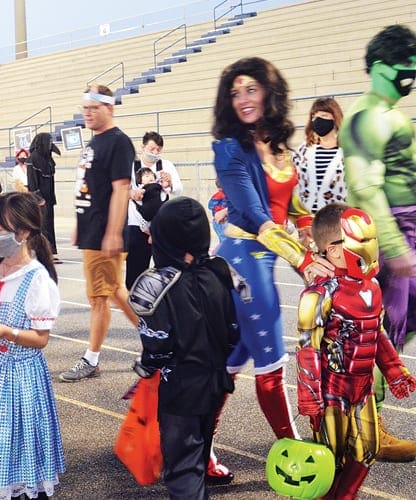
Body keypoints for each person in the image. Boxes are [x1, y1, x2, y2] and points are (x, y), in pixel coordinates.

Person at [211, 57, 335, 476]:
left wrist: (307, 233)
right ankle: (295, 456)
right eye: (235, 92)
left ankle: (196, 449)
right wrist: (303, 260)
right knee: (270, 361)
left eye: (251, 89)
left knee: (231, 361)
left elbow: (294, 205)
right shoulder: (229, 148)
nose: (243, 99)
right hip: (244, 261)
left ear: (269, 91)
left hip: (266, 260)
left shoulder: (280, 146)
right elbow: (251, 214)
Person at [296, 203, 416, 497]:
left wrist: (394, 370)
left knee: (366, 450)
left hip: (362, 389)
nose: (371, 247)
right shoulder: (319, 294)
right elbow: (307, 349)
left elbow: (376, 333)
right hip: (330, 392)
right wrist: (310, 395)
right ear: (335, 249)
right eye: (363, 241)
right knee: (329, 459)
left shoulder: (371, 287)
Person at [339, 24, 416, 462]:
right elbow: (368, 190)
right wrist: (396, 248)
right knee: (379, 338)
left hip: (403, 235)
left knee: (390, 337)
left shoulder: (392, 113)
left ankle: (366, 423)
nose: (411, 76)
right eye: (405, 68)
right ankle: (370, 427)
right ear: (381, 66)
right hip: (388, 242)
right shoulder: (367, 117)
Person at [131, 197, 239, 500]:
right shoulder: (220, 272)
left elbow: (158, 345)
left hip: (179, 389)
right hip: (215, 382)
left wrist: (147, 367)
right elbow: (235, 330)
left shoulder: (157, 284)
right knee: (199, 455)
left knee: (182, 470)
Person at [0, 191, 65, 499]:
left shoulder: (37, 279)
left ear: (23, 232)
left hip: (21, 380)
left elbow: (41, 339)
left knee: (22, 451)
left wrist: (4, 331)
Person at [59, 84, 139, 382]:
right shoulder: (94, 143)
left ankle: (91, 358)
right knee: (115, 292)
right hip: (93, 229)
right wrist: (80, 225)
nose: (88, 113)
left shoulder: (118, 142)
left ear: (110, 108)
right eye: (85, 108)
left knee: (99, 299)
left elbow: (121, 189)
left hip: (105, 232)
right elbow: (89, 187)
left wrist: (113, 232)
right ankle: (157, 339)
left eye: (94, 108)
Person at [125, 131, 183, 289]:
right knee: (136, 268)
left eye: (159, 149)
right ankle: (135, 301)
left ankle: (166, 299)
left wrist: (170, 183)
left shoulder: (166, 165)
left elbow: (178, 190)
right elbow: (122, 189)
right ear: (142, 147)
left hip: (162, 223)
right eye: (152, 148)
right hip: (137, 223)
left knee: (165, 265)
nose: (155, 153)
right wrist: (132, 193)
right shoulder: (132, 166)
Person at [293, 97, 346, 250]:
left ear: (334, 118)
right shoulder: (304, 150)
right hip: (309, 224)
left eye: (323, 116)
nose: (317, 120)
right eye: (314, 117)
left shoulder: (347, 150)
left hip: (338, 222)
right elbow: (293, 184)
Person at [27, 132, 61, 258]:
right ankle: (44, 253)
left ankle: (50, 252)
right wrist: (38, 198)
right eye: (49, 141)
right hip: (40, 200)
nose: (50, 144)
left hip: (49, 197)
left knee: (49, 226)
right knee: (42, 226)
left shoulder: (47, 158)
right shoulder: (33, 158)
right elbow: (32, 181)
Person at [133, 167, 168, 236]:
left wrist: (164, 185)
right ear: (140, 180)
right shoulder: (140, 188)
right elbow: (138, 200)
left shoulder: (157, 185)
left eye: (152, 175)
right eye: (147, 176)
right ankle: (150, 234)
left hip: (158, 211)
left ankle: (153, 235)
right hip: (146, 212)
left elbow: (164, 191)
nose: (150, 177)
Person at [208, 179, 228, 244]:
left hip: (222, 221)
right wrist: (220, 210)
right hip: (220, 222)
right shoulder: (219, 195)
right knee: (224, 240)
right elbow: (210, 205)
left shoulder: (225, 194)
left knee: (224, 240)